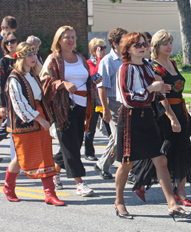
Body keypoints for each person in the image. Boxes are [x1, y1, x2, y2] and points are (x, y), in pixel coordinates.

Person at [113, 31, 191, 220]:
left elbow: (155, 93)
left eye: (144, 44)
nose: (143, 48)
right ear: (128, 49)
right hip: (130, 119)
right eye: (137, 45)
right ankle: (119, 201)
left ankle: (172, 204)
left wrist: (161, 90)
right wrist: (152, 89)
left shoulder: (148, 67)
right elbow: (127, 98)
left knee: (161, 160)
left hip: (148, 118)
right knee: (127, 163)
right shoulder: (124, 69)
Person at [40, 26, 99, 197]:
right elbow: (44, 81)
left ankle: (55, 173)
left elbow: (86, 77)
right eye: (67, 37)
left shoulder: (80, 57)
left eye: (73, 37)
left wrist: (94, 80)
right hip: (63, 109)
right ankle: (80, 183)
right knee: (71, 146)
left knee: (73, 144)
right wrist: (62, 84)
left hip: (82, 106)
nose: (71, 40)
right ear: (59, 40)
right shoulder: (53, 59)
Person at [3, 42, 64, 206]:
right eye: (29, 55)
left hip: (40, 116)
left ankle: (50, 193)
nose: (33, 58)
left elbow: (40, 98)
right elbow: (19, 104)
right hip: (25, 121)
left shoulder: (34, 76)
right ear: (21, 58)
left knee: (45, 154)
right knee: (22, 157)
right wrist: (39, 118)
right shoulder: (14, 77)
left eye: (34, 54)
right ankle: (8, 187)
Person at [94, 27, 127, 180]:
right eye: (123, 41)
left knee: (128, 136)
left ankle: (132, 169)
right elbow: (101, 87)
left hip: (127, 102)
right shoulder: (107, 61)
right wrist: (105, 109)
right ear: (114, 43)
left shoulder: (127, 57)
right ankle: (103, 164)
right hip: (113, 103)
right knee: (117, 137)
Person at [0, 16, 17, 155]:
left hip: (15, 88)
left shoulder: (16, 47)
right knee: (3, 117)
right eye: (8, 31)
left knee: (11, 119)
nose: (10, 42)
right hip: (1, 84)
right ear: (2, 28)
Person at [84, 38, 110, 161]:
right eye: (101, 48)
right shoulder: (89, 62)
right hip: (94, 101)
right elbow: (96, 75)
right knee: (91, 128)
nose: (105, 50)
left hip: (105, 99)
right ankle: (89, 153)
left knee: (110, 128)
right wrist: (99, 58)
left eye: (105, 48)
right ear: (94, 50)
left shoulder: (107, 61)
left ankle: (113, 151)